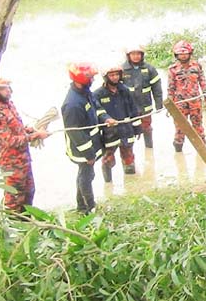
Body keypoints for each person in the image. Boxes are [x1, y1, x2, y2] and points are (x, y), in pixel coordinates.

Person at [62, 63, 117, 214]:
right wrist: (88, 154)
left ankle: (82, 206)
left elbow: (97, 107)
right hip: (80, 147)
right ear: (82, 78)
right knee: (86, 176)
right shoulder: (72, 104)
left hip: (90, 143)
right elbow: (75, 133)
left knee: (87, 174)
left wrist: (106, 118)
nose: (93, 79)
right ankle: (88, 207)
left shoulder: (85, 92)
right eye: (91, 77)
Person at [0, 78, 49, 214]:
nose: (9, 91)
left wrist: (30, 130)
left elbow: (16, 128)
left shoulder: (8, 105)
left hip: (23, 158)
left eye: (9, 88)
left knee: (29, 190)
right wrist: (35, 136)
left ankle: (26, 223)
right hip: (11, 161)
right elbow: (7, 141)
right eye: (5, 88)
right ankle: (13, 228)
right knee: (14, 198)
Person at [93, 65, 142, 181]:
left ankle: (132, 186)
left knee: (129, 159)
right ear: (106, 77)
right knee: (108, 161)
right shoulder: (98, 94)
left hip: (126, 131)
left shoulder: (125, 90)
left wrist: (137, 127)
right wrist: (106, 119)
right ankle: (108, 185)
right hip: (110, 133)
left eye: (117, 75)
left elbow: (133, 109)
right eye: (111, 75)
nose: (115, 78)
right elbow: (97, 112)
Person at [167, 40, 206, 152]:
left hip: (195, 102)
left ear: (190, 53)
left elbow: (203, 83)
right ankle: (178, 152)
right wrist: (170, 107)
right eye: (180, 54)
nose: (183, 56)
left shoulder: (197, 66)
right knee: (180, 128)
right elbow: (170, 88)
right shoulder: (173, 69)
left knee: (198, 126)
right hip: (179, 104)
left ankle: (203, 153)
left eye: (185, 53)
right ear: (176, 55)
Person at [121, 45, 163, 149]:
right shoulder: (121, 70)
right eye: (133, 54)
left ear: (142, 55)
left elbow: (157, 88)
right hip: (128, 109)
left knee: (147, 129)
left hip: (145, 107)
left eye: (138, 54)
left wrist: (159, 104)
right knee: (128, 132)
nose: (136, 56)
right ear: (128, 56)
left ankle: (149, 150)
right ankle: (129, 155)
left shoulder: (149, 69)